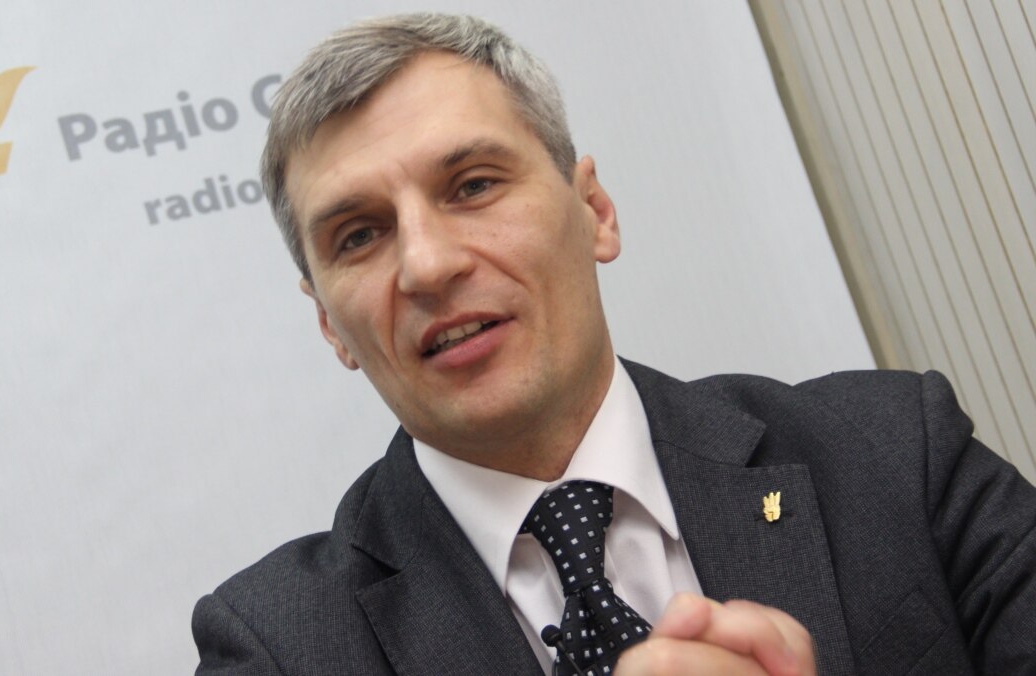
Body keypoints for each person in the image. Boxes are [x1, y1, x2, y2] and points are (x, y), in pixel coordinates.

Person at [193, 13, 1036, 675]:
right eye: (359, 235)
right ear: (329, 324)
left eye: (473, 186)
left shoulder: (896, 452)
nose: (427, 265)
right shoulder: (277, 647)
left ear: (594, 212)